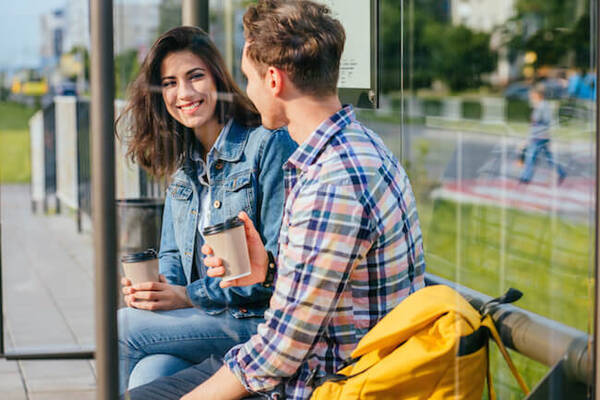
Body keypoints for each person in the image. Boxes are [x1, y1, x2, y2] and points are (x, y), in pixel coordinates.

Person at [124, 1, 425, 399]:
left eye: (247, 78)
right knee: (150, 372)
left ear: (273, 80)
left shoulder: (333, 181)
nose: (244, 91)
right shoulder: (347, 152)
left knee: (133, 359)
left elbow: (280, 351)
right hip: (311, 365)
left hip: (322, 382)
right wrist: (265, 270)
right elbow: (303, 296)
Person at [115, 26, 297, 394]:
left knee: (121, 331)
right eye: (169, 82)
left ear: (217, 78)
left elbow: (277, 267)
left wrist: (186, 296)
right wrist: (157, 290)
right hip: (202, 319)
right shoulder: (185, 164)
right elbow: (170, 255)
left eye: (195, 76)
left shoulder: (265, 144)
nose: (184, 93)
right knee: (148, 374)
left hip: (253, 320)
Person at [519, 83, 566, 184]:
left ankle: (525, 177)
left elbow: (544, 121)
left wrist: (530, 137)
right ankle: (561, 172)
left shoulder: (543, 106)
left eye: (532, 95)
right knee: (549, 158)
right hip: (539, 136)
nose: (531, 97)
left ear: (537, 95)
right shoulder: (539, 105)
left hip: (539, 137)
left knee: (530, 157)